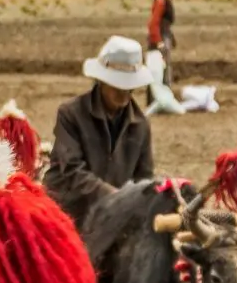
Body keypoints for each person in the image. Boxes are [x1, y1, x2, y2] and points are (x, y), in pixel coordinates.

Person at [47, 34, 156, 221]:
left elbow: (144, 178)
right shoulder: (71, 114)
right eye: (117, 86)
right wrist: (118, 198)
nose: (124, 94)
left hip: (113, 216)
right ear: (102, 82)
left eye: (128, 88)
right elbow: (72, 171)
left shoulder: (140, 125)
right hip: (68, 213)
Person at [147, 0, 177, 70]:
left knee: (163, 65)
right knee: (160, 67)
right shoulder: (161, 2)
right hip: (160, 38)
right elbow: (153, 23)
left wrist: (171, 37)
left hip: (164, 36)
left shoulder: (166, 1)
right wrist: (159, 42)